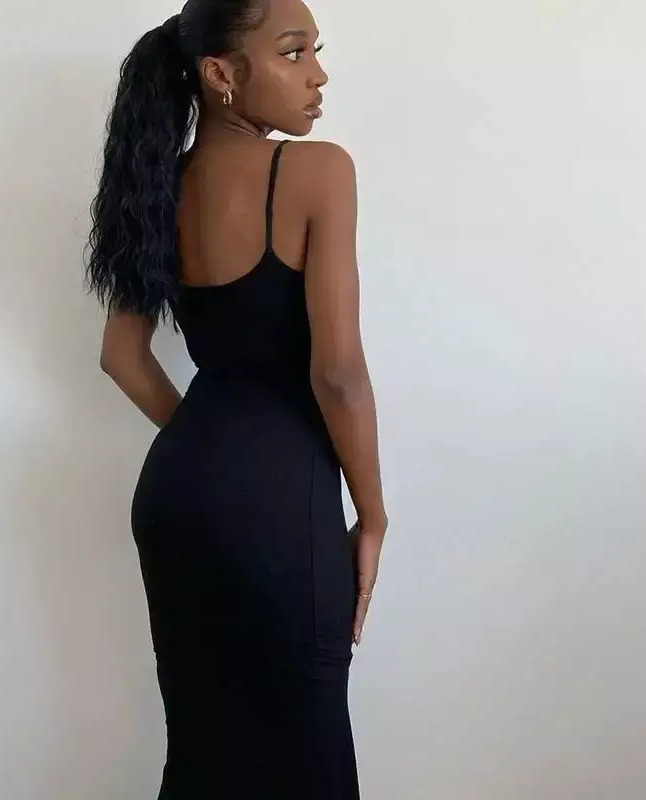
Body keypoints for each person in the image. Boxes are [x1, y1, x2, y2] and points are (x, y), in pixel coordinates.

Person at [84, 0, 388, 796]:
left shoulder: (156, 184)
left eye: (315, 51)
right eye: (293, 53)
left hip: (178, 491)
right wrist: (374, 514)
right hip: (284, 498)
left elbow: (121, 356)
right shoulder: (319, 171)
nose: (318, 75)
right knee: (308, 755)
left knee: (205, 754)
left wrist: (212, 444)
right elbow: (337, 373)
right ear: (221, 73)